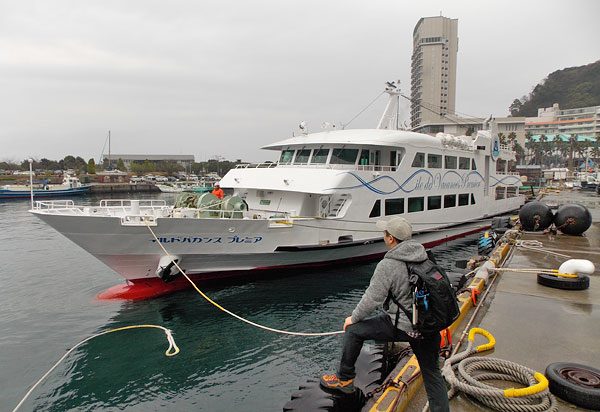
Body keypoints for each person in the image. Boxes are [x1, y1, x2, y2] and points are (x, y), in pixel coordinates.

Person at [320, 216, 450, 412]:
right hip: (428, 325)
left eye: (385, 233)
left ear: (390, 239)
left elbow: (371, 299)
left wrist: (353, 318)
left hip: (405, 326)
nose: (383, 236)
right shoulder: (423, 255)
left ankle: (344, 380)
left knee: (354, 331)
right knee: (432, 373)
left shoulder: (389, 264)